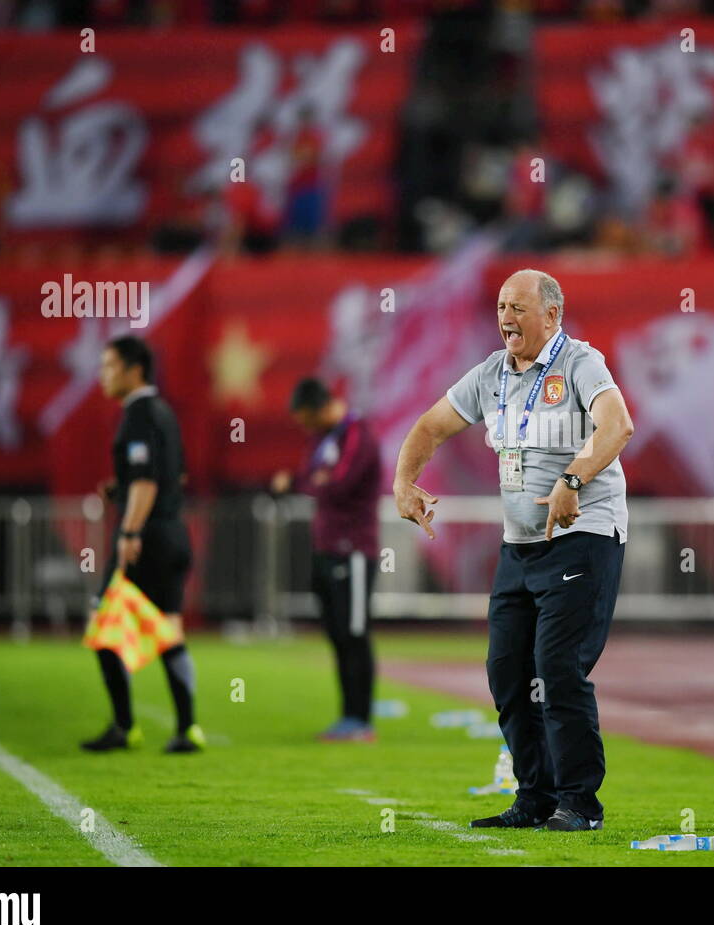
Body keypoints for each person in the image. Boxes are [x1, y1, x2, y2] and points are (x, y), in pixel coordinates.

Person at [392, 269, 635, 832]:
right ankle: (535, 796)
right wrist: (404, 484)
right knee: (506, 670)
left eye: (519, 308)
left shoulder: (579, 363)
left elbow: (618, 427)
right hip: (520, 547)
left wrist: (572, 481)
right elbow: (428, 427)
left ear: (552, 315)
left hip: (583, 538)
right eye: (502, 306)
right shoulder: (492, 374)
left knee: (557, 667)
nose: (506, 318)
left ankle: (580, 803)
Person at [82, 336, 204, 754]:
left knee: (103, 625)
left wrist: (130, 530)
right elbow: (176, 477)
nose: (103, 375)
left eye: (109, 366)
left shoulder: (137, 414)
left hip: (146, 540)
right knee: (169, 631)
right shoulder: (164, 413)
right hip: (173, 535)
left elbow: (148, 480)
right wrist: (123, 489)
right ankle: (187, 729)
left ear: (134, 369)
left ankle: (123, 725)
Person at [272, 378, 381, 741]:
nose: (303, 427)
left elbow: (339, 484)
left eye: (305, 418)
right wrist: (312, 480)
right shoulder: (323, 438)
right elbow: (313, 477)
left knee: (354, 633)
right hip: (327, 547)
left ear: (319, 408)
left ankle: (361, 719)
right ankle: (347, 716)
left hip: (353, 551)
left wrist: (308, 482)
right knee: (337, 635)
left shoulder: (356, 434)